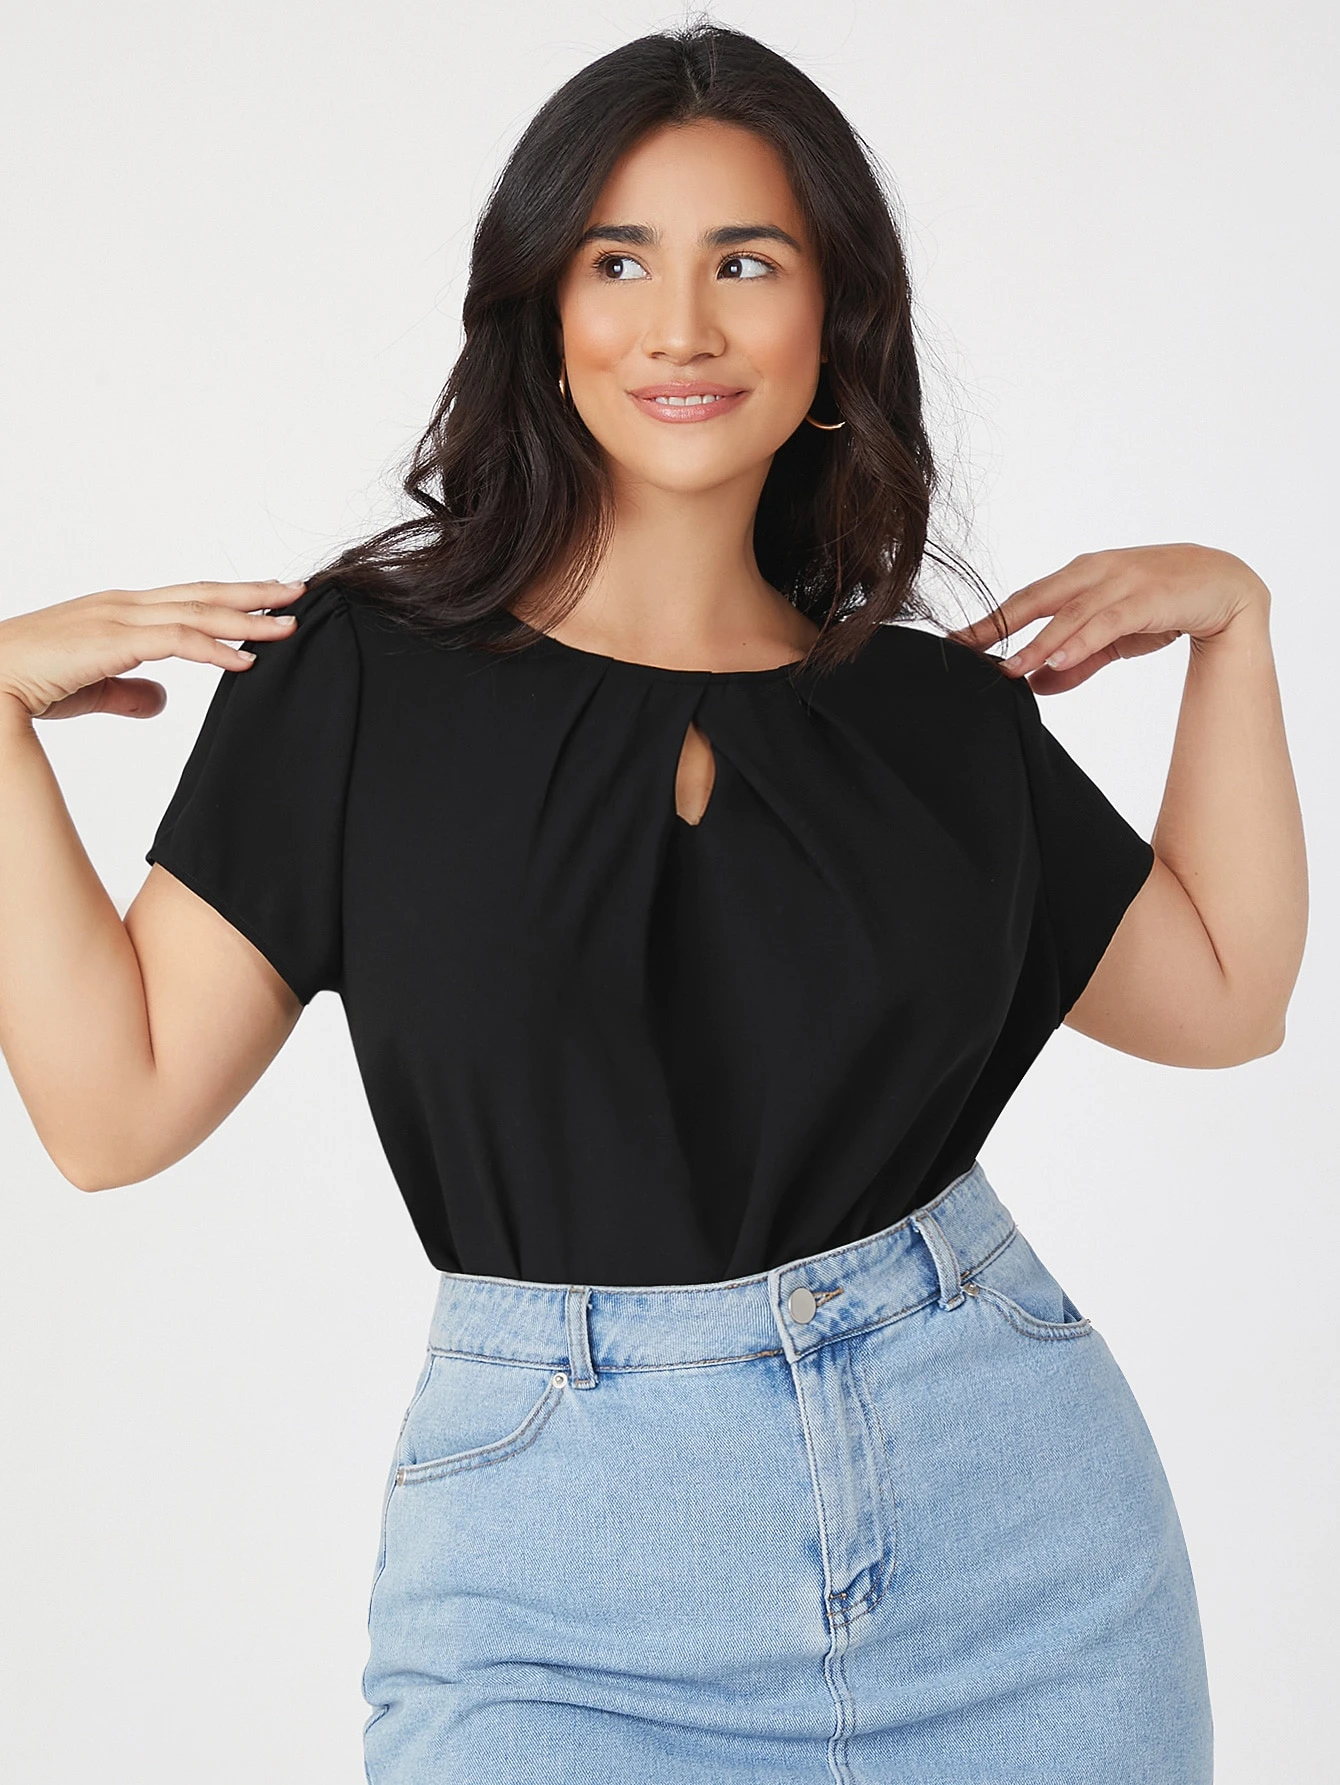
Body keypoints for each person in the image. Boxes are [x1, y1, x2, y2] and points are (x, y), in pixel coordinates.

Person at [0, 22, 1306, 1785]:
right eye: (619, 262)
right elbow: (111, 1112)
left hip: (1016, 1547)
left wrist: (1236, 629)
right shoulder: (363, 678)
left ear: (835, 324)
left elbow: (1224, 1000)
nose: (679, 326)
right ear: (546, 314)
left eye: (744, 263)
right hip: (561, 1583)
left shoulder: (935, 718)